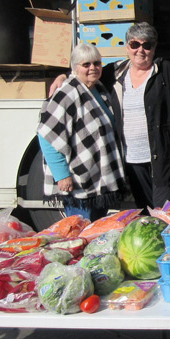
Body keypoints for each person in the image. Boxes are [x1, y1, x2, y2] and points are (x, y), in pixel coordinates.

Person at [50, 22, 170, 210]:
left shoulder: (166, 71)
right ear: (127, 47)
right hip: (130, 158)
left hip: (163, 156)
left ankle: (167, 238)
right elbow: (87, 74)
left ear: (154, 48)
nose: (140, 50)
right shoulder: (115, 72)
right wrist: (64, 76)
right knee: (143, 210)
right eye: (135, 44)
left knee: (165, 211)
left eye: (147, 45)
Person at [38, 43, 126, 221]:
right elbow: (46, 136)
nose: (92, 68)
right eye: (86, 65)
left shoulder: (98, 89)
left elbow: (127, 63)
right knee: (79, 230)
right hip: (78, 181)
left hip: (97, 180)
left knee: (94, 232)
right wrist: (62, 175)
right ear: (75, 67)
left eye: (97, 63)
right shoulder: (67, 93)